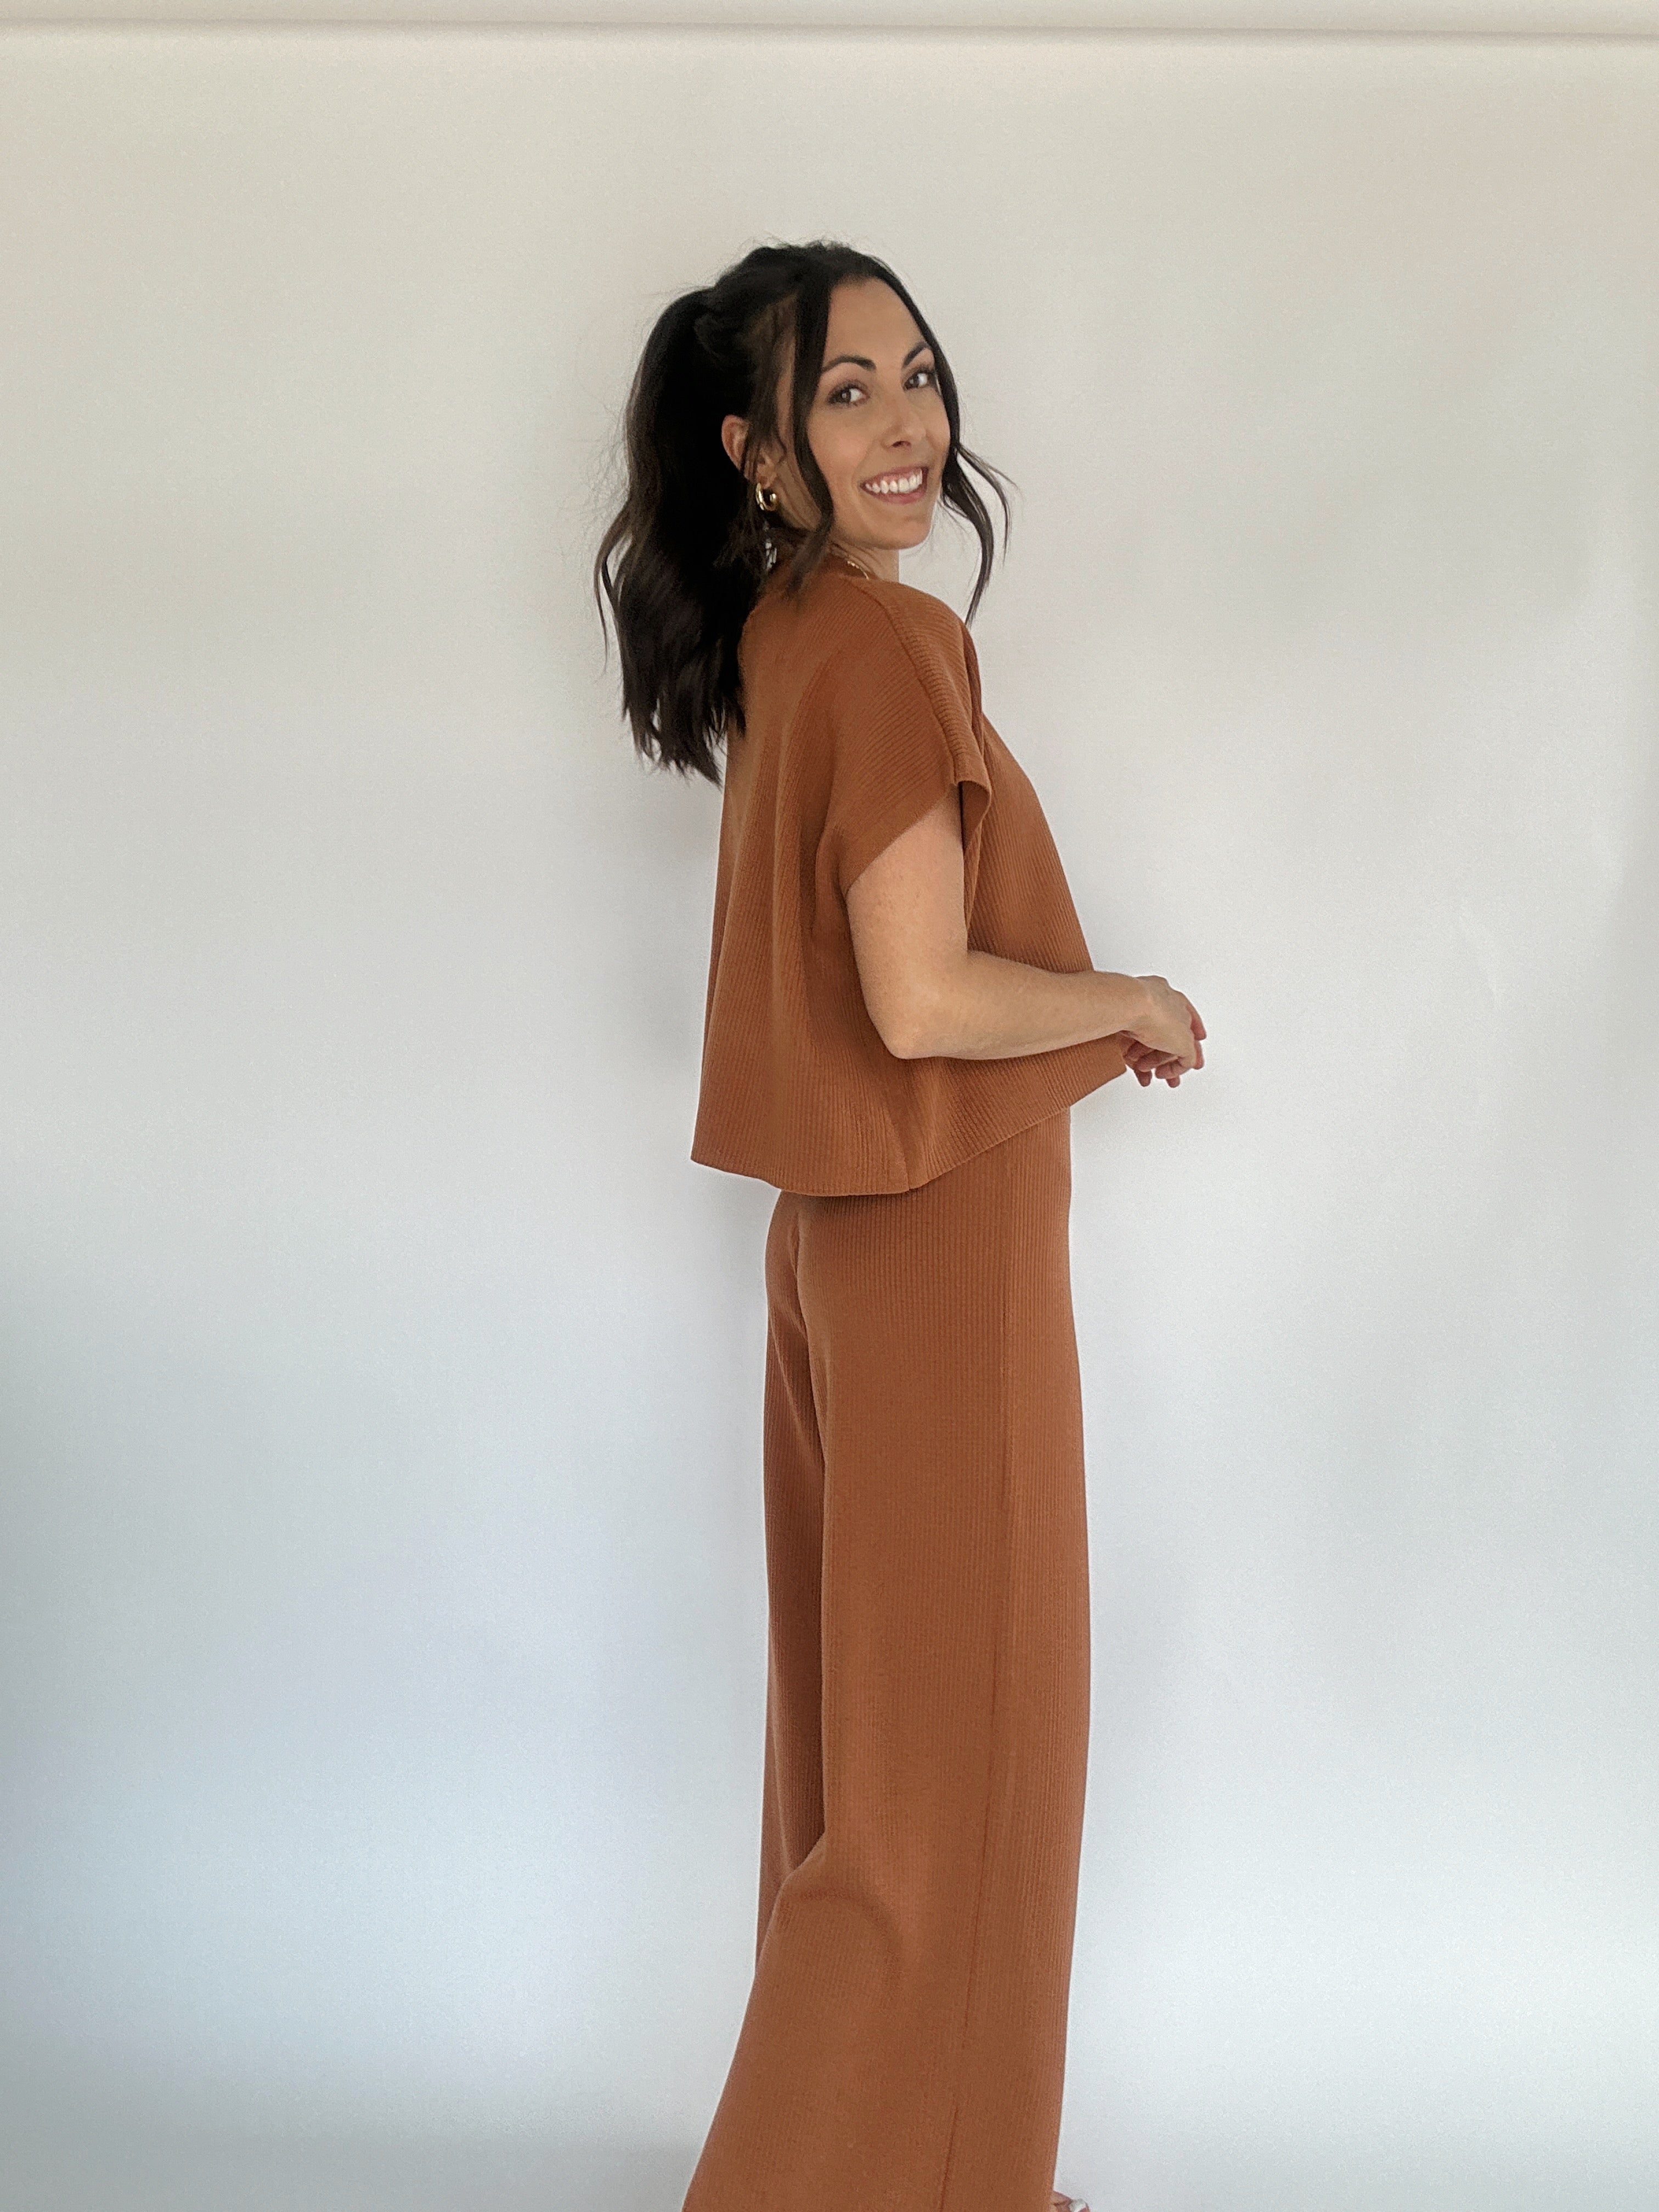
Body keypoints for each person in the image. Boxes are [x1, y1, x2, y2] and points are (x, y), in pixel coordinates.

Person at [592, 238, 1204, 2212]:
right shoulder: (883, 645)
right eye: (845, 389)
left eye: (917, 375)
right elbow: (922, 998)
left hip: (842, 1241)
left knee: (870, 1781)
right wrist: (1125, 997)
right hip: (938, 1241)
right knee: (957, 1793)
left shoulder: (791, 636)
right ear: (758, 451)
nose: (905, 421)